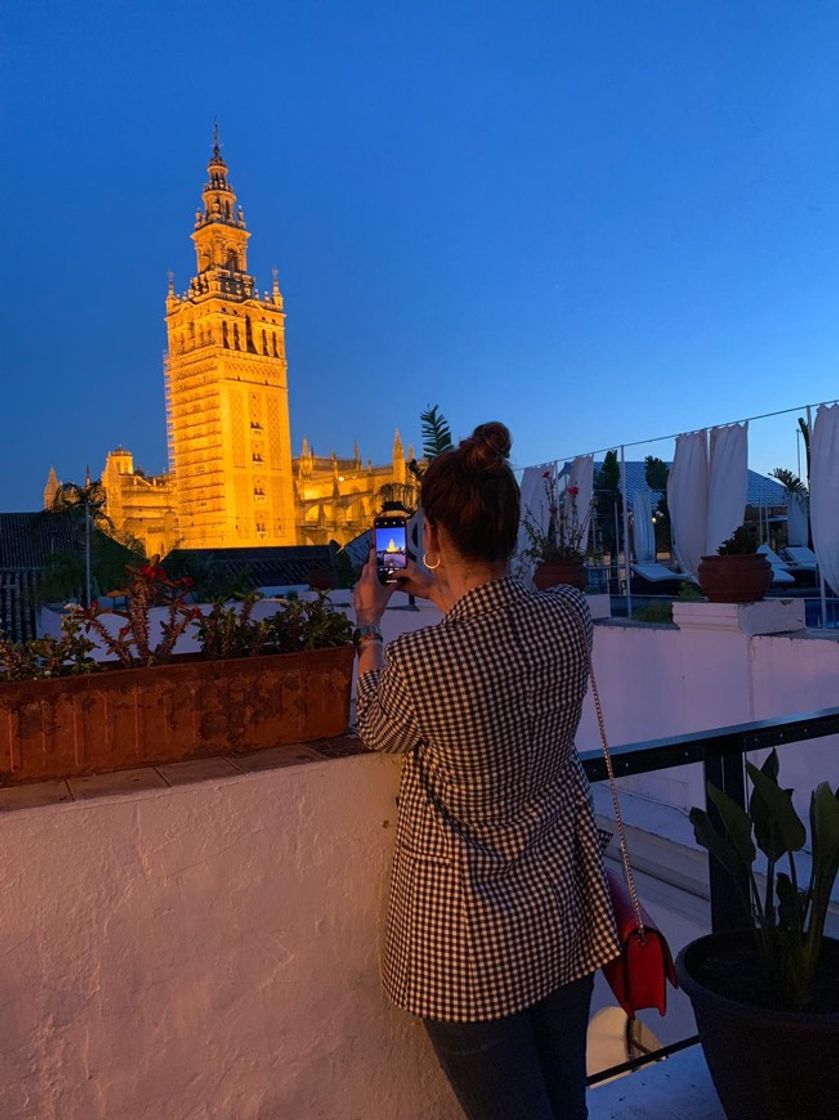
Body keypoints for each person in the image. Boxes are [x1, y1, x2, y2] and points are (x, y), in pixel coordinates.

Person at [353, 421, 619, 1120]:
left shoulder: (420, 664)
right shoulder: (569, 616)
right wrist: (442, 589)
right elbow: (501, 631)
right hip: (559, 917)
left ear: (431, 538)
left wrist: (369, 626)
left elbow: (372, 726)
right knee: (567, 1104)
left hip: (467, 951)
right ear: (511, 528)